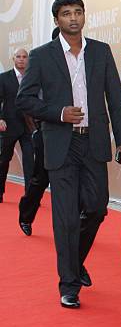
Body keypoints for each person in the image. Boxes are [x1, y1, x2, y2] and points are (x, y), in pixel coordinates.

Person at [16, 0, 121, 309]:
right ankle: (69, 285)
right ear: (57, 20)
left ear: (84, 16)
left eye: (78, 12)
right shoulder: (42, 56)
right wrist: (58, 112)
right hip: (61, 144)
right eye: (67, 14)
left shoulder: (101, 51)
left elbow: (113, 98)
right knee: (65, 217)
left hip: (93, 143)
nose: (73, 18)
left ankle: (75, 260)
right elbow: (24, 100)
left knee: (96, 208)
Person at [17, 28, 60, 237]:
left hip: (76, 132)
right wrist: (35, 129)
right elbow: (27, 100)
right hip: (47, 130)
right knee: (41, 178)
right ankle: (26, 215)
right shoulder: (42, 63)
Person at [0, 48, 35, 202]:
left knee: (30, 162)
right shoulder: (3, 78)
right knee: (3, 160)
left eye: (24, 57)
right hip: (8, 126)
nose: (21, 59)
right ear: (13, 58)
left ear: (28, 59)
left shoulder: (32, 78)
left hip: (28, 126)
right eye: (18, 56)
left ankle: (29, 196)